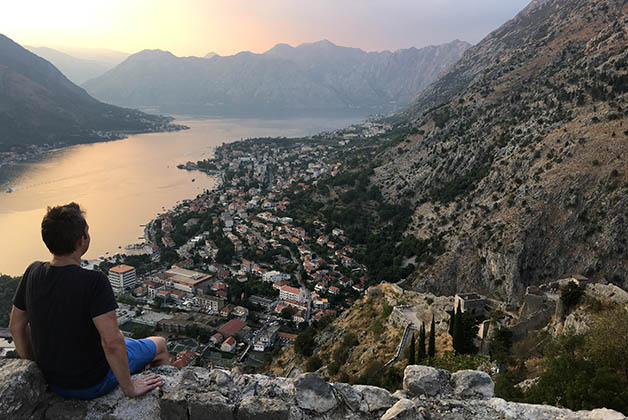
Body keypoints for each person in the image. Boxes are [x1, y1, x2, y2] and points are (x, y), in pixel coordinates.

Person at [9, 202, 169, 399]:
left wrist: (37, 370)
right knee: (160, 344)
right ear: (81, 240)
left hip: (52, 380)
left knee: (129, 343)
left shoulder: (32, 272)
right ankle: (158, 396)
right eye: (87, 231)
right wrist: (130, 388)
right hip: (91, 384)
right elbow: (111, 342)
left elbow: (16, 327)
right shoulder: (94, 282)